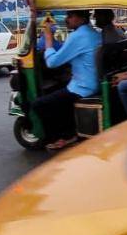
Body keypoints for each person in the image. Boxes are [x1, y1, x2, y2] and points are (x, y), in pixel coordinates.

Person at [31, 10, 102, 150]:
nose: (66, 19)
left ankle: (63, 137)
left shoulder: (78, 36)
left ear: (81, 18)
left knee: (39, 104)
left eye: (70, 16)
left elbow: (52, 63)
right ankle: (69, 129)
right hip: (93, 82)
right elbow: (68, 52)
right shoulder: (93, 33)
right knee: (60, 89)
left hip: (83, 87)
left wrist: (49, 40)